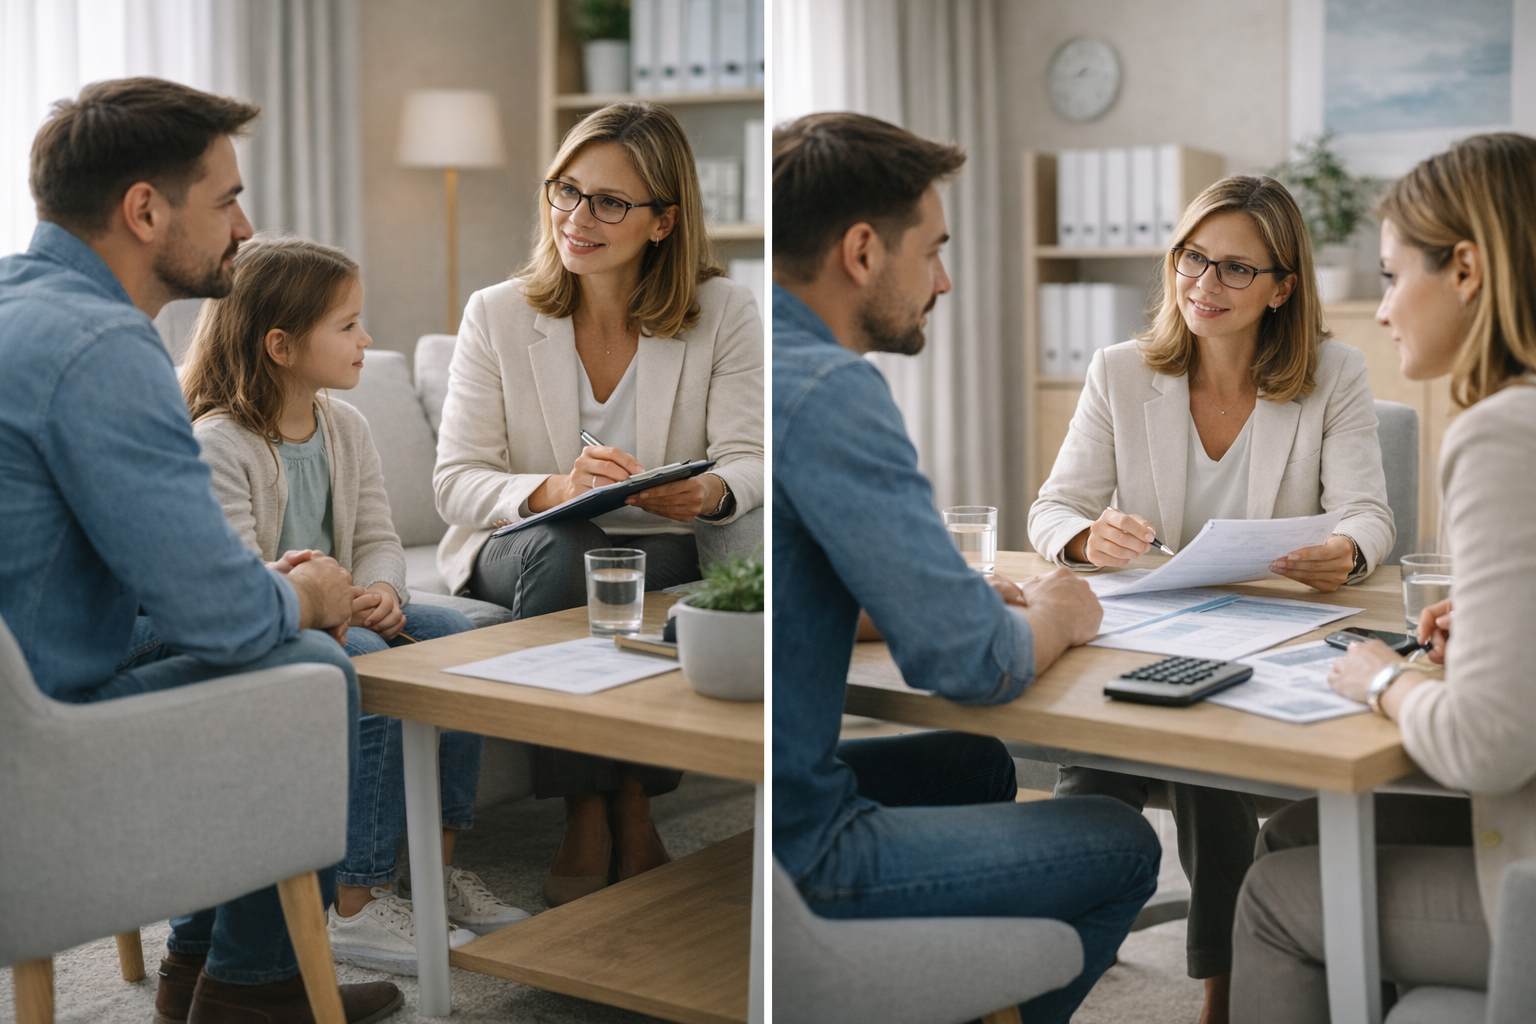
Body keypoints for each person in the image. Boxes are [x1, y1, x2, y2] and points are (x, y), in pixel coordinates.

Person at [0, 79, 401, 1023]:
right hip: (38, 736)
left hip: (30, 673)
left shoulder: (19, 306)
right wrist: (313, 596)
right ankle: (251, 986)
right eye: (225, 199)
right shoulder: (100, 346)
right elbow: (218, 616)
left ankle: (199, 960)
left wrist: (267, 583)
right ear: (144, 209)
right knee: (307, 665)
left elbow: (155, 570)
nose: (246, 226)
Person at [773, 111, 1161, 1024]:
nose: (943, 280)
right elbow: (973, 664)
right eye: (935, 250)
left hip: (775, 792)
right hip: (807, 846)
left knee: (975, 767)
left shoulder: (756, 361)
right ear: (863, 251)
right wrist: (1063, 611)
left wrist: (909, 599)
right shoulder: (833, 389)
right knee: (1120, 838)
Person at [1026, 174, 1396, 1020]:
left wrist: (1348, 549)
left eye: (1235, 269)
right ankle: (1045, 965)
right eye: (1192, 258)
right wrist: (1087, 539)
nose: (1203, 285)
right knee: (1092, 758)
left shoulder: (1332, 373)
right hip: (1139, 623)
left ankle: (1221, 990)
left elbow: (1370, 513)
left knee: (1210, 746)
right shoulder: (1120, 372)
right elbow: (1054, 506)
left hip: (1265, 635)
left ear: (1282, 288)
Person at [1230, 132, 1536, 1022]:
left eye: (1396, 275)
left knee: (1273, 900)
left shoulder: (1502, 435)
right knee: (1294, 832)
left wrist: (1384, 678)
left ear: (1469, 270)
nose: (1386, 308)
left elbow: (1487, 746)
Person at [432, 101, 763, 905]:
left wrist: (711, 491)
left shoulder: (725, 313)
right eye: (565, 191)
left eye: (609, 202)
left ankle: (633, 798)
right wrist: (553, 490)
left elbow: (754, 458)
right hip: (528, 545)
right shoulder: (498, 313)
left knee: (648, 563)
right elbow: (455, 479)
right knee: (572, 552)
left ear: (663, 222)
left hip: (667, 540)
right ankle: (589, 807)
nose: (576, 218)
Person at [179, 235, 531, 974]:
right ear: (281, 344)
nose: (366, 339)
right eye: (347, 325)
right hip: (284, 624)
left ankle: (428, 877)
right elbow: (241, 573)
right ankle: (357, 904)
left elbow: (378, 535)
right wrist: (336, 611)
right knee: (369, 664)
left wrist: (380, 591)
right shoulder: (221, 443)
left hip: (342, 606)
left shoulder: (347, 425)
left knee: (458, 648)